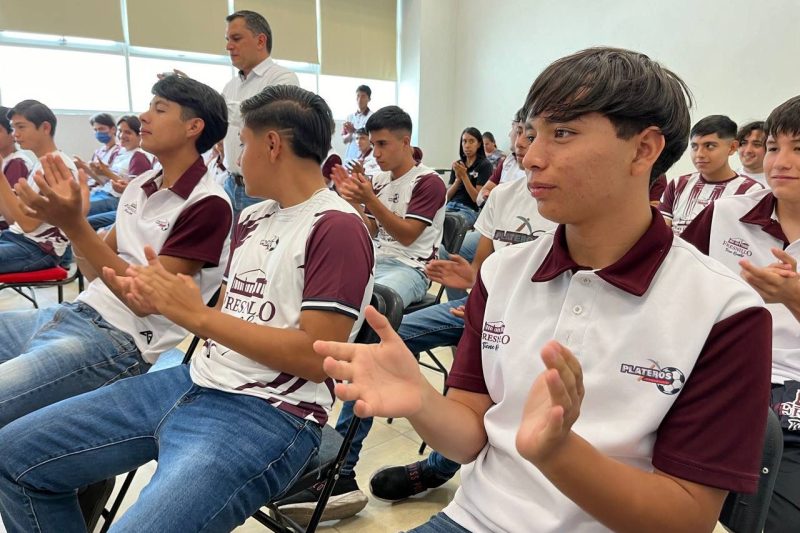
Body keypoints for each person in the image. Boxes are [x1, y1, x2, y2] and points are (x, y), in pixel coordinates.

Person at [316, 47, 772, 533]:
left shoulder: (726, 311)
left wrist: (559, 454)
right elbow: (471, 437)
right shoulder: (502, 273)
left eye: (563, 134)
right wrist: (421, 400)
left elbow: (685, 518)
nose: (531, 158)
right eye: (533, 134)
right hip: (471, 520)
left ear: (643, 150)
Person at [0, 84, 375, 533]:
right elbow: (232, 310)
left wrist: (194, 315)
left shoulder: (336, 227)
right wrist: (164, 300)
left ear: (272, 145)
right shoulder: (254, 217)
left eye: (244, 144)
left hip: (269, 412)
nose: (237, 159)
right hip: (193, 379)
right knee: (13, 455)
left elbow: (316, 359)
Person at [276, 114, 556, 524]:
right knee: (381, 348)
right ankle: (341, 471)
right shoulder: (505, 197)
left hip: (480, 300)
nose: (524, 146)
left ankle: (441, 467)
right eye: (522, 134)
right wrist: (474, 288)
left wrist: (368, 200)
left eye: (538, 136)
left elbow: (408, 238)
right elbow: (483, 273)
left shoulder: (434, 183)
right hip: (480, 309)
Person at [0, 75, 232, 432]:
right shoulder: (141, 185)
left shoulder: (209, 204)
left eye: (159, 109)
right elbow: (93, 272)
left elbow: (145, 302)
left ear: (193, 127)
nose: (144, 116)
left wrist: (74, 225)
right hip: (76, 313)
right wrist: (69, 225)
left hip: (117, 339)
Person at [681, 95, 800, 533]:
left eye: (799, 149)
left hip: (790, 397)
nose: (779, 162)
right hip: (715, 377)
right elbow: (670, 280)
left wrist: (795, 299)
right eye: (773, 147)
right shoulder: (727, 214)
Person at [331, 105, 446, 309]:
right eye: (374, 144)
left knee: (372, 305)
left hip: (412, 268)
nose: (375, 153)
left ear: (405, 142)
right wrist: (353, 201)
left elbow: (407, 236)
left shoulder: (428, 181)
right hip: (377, 259)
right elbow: (372, 230)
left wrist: (370, 200)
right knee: (328, 290)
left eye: (382, 144)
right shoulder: (379, 180)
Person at [221, 9, 299, 222]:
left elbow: (262, 119)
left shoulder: (283, 78)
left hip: (264, 189)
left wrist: (212, 102)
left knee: (258, 254)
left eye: (236, 39)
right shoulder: (230, 86)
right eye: (227, 40)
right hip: (229, 184)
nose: (228, 46)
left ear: (260, 40)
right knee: (229, 254)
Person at [0, 100, 79, 273]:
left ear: (45, 128)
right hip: (16, 238)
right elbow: (15, 220)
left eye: (21, 127)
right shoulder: (41, 163)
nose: (15, 134)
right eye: (13, 128)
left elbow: (28, 224)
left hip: (38, 249)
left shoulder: (58, 166)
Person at [658, 114, 763, 236]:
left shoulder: (751, 191)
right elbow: (662, 233)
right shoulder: (678, 184)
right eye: (694, 147)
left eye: (709, 146)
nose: (699, 154)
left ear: (733, 147)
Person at [84, 115, 154, 230]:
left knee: (79, 214)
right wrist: (97, 172)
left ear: (139, 134)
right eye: (120, 131)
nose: (122, 135)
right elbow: (106, 181)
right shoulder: (122, 153)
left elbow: (134, 191)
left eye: (128, 132)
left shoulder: (139, 156)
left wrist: (107, 172)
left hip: (116, 199)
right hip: (104, 192)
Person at [445, 127, 493, 227]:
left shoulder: (485, 165)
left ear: (479, 144)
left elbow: (477, 199)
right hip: (450, 206)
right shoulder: (458, 164)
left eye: (471, 141)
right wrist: (458, 180)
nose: (467, 145)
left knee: (450, 226)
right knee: (431, 221)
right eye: (464, 141)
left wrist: (464, 176)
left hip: (469, 210)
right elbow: (447, 196)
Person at [0, 106, 34, 230]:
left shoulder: (17, 163)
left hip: (7, 226)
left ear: (12, 134)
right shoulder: (5, 160)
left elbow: (10, 208)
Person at [342, 85, 374, 161]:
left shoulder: (372, 117)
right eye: (358, 96)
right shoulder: (349, 117)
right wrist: (350, 133)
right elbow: (344, 141)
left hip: (366, 156)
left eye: (363, 96)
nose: (360, 99)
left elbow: (372, 139)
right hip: (350, 154)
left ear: (369, 99)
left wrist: (354, 131)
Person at [736, 120, 767, 186]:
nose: (748, 150)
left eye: (756, 144)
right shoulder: (728, 180)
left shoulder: (777, 183)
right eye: (743, 143)